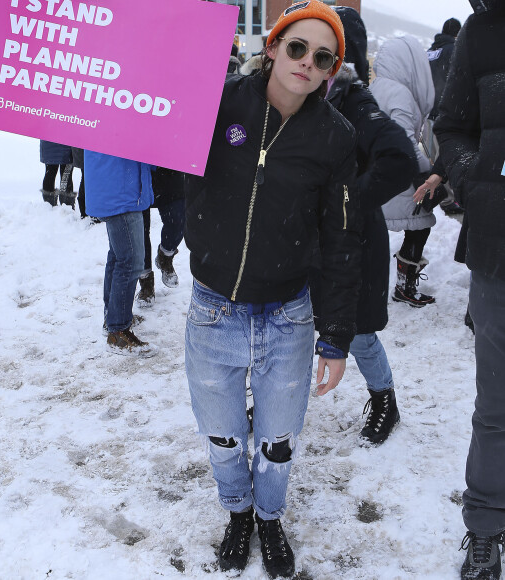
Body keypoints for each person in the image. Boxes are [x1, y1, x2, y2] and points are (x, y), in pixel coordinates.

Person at [184, 2, 362, 577]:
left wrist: (335, 338)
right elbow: (160, 138)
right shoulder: (221, 103)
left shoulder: (335, 137)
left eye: (323, 57)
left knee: (279, 440)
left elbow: (340, 242)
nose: (307, 63)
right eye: (297, 48)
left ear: (332, 68)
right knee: (225, 438)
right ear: (272, 47)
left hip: (288, 317)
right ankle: (237, 513)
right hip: (214, 312)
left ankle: (269, 516)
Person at [320, 6, 417, 444]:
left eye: (330, 50)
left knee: (357, 334)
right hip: (301, 237)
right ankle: (271, 399)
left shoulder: (352, 99)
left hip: (353, 240)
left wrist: (347, 203)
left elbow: (399, 158)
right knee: (291, 326)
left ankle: (384, 400)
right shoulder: (296, 95)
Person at [434, 1, 505, 578]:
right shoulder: (482, 32)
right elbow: (451, 124)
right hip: (500, 254)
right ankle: (485, 527)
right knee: (498, 406)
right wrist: (475, 175)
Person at [370, 35, 437, 308]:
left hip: (374, 174)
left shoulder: (375, 87)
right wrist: (429, 171)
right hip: (399, 179)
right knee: (420, 225)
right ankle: (405, 286)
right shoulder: (400, 93)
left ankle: (372, 284)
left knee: (372, 231)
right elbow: (405, 142)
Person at [84, 151, 157, 358]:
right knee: (131, 260)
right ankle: (117, 331)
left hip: (123, 184)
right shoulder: (111, 118)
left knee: (118, 256)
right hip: (119, 187)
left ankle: (114, 317)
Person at [423, 17, 465, 217]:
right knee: (446, 157)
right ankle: (447, 200)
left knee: (432, 158)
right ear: (457, 33)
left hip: (427, 113)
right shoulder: (453, 51)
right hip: (446, 113)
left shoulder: (429, 52)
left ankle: (437, 194)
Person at [136, 167, 186, 307]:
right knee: (140, 232)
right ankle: (145, 282)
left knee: (177, 220)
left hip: (169, 169)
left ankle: (165, 257)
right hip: (135, 171)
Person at [39, 140, 74, 207]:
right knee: (66, 176)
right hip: (68, 143)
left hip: (48, 141)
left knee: (50, 172)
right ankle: (66, 207)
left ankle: (48, 205)